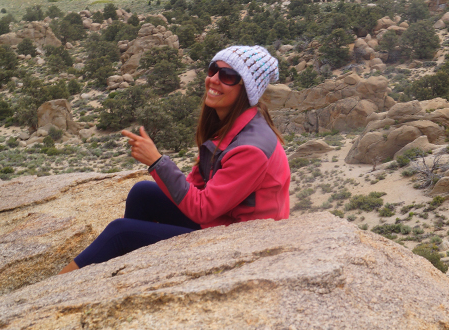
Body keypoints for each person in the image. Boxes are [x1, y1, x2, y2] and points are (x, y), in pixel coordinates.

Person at [59, 45, 290, 274]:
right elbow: (197, 185)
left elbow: (203, 210)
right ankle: (133, 269)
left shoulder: (251, 149)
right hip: (223, 218)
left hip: (244, 239)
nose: (215, 79)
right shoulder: (230, 126)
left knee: (121, 232)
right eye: (213, 70)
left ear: (247, 90)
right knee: (142, 194)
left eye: (229, 76)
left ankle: (58, 288)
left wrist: (157, 162)